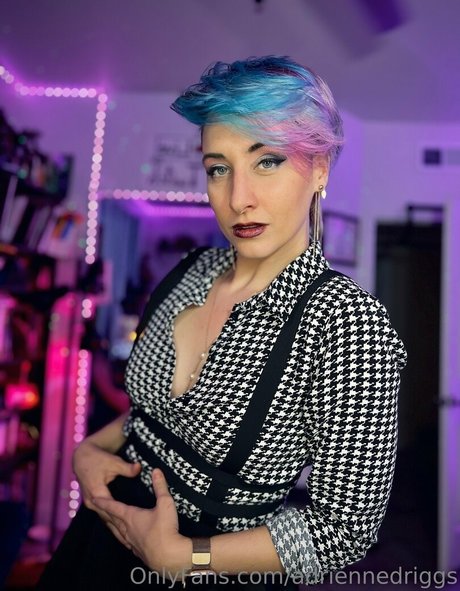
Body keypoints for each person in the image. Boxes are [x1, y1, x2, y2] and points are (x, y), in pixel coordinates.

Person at [36, 55, 407, 590]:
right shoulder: (190, 271)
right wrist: (91, 449)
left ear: (320, 168)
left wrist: (189, 556)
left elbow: (345, 530)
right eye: (218, 168)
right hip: (95, 541)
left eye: (267, 161)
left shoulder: (346, 323)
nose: (238, 199)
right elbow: (153, 417)